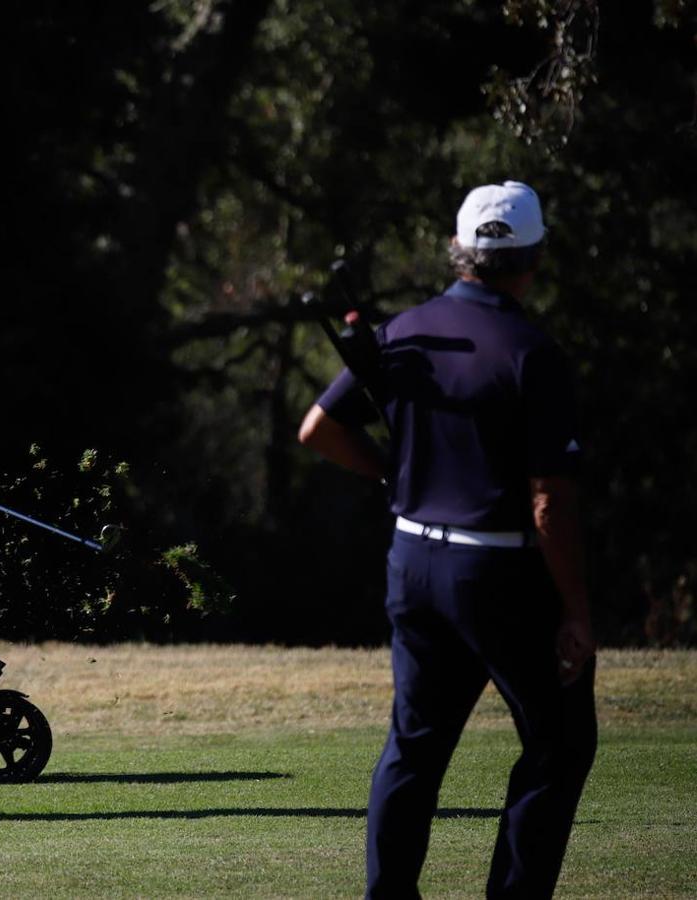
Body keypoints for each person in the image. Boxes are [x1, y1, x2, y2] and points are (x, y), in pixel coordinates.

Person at [298, 182, 597, 897]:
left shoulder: (404, 330)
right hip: (497, 574)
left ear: (460, 251)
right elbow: (549, 501)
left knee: (414, 746)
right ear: (533, 256)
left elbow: (318, 429)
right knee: (558, 746)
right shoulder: (531, 351)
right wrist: (577, 610)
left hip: (412, 563)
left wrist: (390, 480)